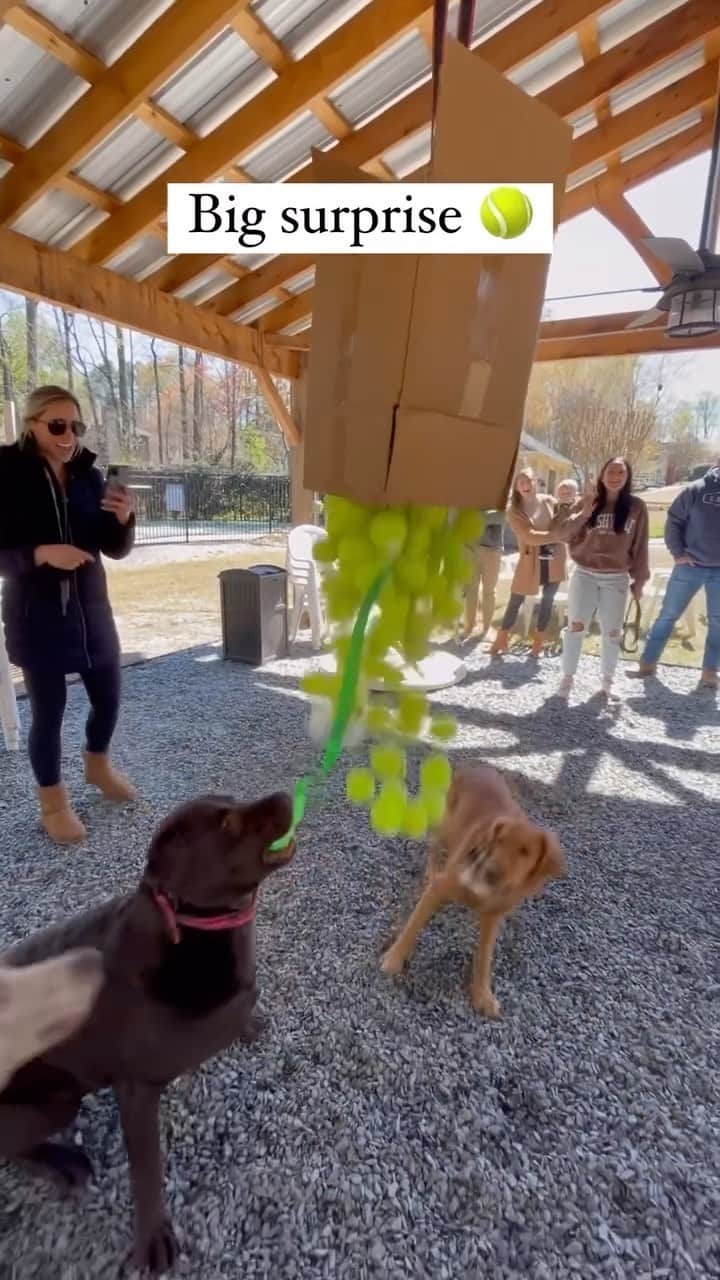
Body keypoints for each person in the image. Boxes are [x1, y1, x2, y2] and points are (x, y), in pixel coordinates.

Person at [0, 386, 136, 845]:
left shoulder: (87, 476)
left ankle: (97, 765)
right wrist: (40, 553)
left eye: (75, 426)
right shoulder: (6, 471)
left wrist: (122, 520)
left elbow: (112, 549)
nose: (68, 436)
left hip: (92, 612)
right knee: (49, 712)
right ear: (31, 424)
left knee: (110, 697)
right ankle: (53, 804)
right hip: (36, 617)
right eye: (57, 425)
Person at [552, 456, 649, 700]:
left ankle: (607, 680)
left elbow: (641, 545)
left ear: (627, 478)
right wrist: (584, 514)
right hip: (584, 573)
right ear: (602, 474)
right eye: (611, 471)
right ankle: (568, 677)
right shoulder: (588, 501)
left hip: (616, 577)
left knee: (612, 631)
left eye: (621, 473)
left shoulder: (637, 507)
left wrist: (640, 580)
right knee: (576, 626)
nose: (615, 477)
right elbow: (562, 532)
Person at [631, 460, 720, 691]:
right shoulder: (695, 490)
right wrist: (678, 553)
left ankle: (710, 672)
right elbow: (674, 521)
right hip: (690, 566)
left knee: (718, 622)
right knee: (668, 616)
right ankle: (647, 664)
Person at [490, 468, 567, 658]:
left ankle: (538, 644)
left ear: (536, 482)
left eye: (529, 480)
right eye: (521, 481)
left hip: (554, 559)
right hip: (529, 560)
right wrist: (556, 536)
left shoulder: (550, 501)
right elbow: (529, 537)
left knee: (547, 601)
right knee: (516, 598)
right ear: (516, 487)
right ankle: (501, 641)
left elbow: (565, 520)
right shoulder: (514, 510)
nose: (526, 485)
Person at [461, 509, 504, 640]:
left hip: (492, 550)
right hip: (470, 548)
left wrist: (476, 517)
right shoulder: (472, 495)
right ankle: (469, 627)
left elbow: (502, 517)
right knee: (470, 590)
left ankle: (486, 629)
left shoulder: (501, 497)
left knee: (489, 591)